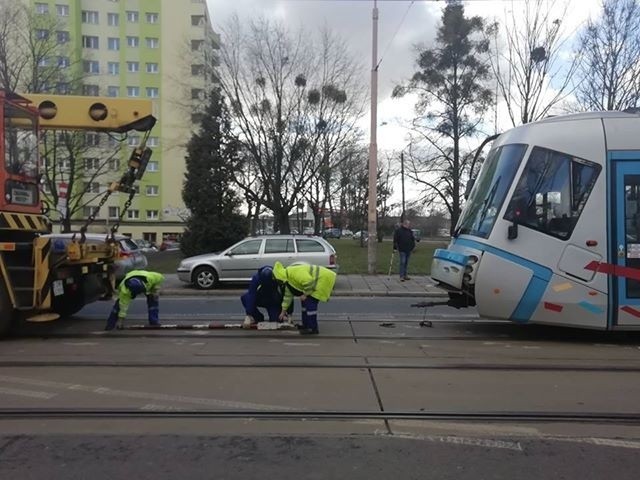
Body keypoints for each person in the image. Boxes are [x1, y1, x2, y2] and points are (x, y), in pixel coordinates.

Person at [272, 261, 337, 335]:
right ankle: (306, 325)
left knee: (310, 304)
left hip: (322, 279)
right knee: (305, 304)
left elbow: (309, 282)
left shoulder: (293, 272)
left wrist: (305, 294)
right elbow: (287, 297)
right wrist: (283, 311)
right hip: (315, 282)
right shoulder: (287, 280)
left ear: (280, 278)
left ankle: (313, 328)